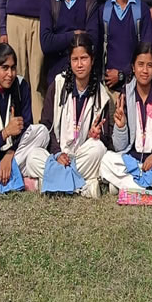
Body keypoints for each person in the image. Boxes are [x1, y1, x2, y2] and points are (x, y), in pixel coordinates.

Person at [27, 33, 112, 197]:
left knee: (98, 149)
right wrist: (58, 153)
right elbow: (46, 125)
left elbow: (106, 139)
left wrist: (95, 136)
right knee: (32, 156)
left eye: (84, 58)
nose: (79, 65)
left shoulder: (101, 95)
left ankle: (47, 182)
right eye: (75, 59)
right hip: (58, 155)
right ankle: (83, 187)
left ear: (92, 60)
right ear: (70, 61)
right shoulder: (58, 85)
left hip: (82, 156)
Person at [100, 44, 152, 200]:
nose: (145, 70)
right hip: (130, 160)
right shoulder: (125, 95)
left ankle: (125, 186)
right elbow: (120, 147)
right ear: (133, 67)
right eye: (140, 65)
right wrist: (121, 127)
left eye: (149, 65)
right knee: (107, 160)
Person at [0, 43, 50, 194]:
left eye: (13, 68)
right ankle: (18, 178)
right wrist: (6, 132)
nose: (10, 74)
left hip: (16, 153)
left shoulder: (21, 86)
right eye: (5, 68)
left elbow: (27, 128)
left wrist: (10, 154)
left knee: (41, 131)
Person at [40, 0, 101, 84]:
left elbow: (92, 43)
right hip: (55, 79)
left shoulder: (89, 3)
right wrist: (75, 34)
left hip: (84, 81)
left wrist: (59, 40)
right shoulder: (49, 3)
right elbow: (46, 43)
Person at [102, 0, 152, 93]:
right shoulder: (104, 11)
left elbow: (147, 52)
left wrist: (121, 74)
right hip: (109, 89)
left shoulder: (142, 10)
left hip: (136, 88)